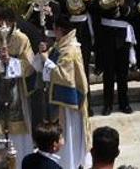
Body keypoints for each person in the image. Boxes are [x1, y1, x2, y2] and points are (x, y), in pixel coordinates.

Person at [33, 15, 90, 169]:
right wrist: (43, 53)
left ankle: (69, 163)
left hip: (69, 103)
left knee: (69, 135)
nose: (53, 32)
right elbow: (41, 66)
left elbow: (64, 76)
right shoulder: (60, 45)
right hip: (59, 101)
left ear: (60, 30)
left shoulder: (70, 49)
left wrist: (46, 60)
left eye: (55, 29)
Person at [0, 4, 37, 161]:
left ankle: (19, 160)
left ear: (13, 22)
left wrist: (11, 62)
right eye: (0, 23)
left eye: (7, 23)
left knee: (17, 130)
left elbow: (29, 65)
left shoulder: (21, 39)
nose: (3, 27)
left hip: (16, 91)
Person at [95, 0, 133, 115]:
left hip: (123, 37)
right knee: (108, 73)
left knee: (123, 73)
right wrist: (109, 0)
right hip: (107, 36)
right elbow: (96, 10)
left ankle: (124, 103)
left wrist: (122, 4)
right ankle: (108, 104)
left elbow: (132, 13)